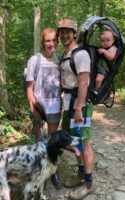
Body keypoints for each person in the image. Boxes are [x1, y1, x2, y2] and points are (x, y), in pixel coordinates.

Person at [57, 19, 94, 199]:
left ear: (74, 33)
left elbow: (84, 83)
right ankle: (81, 173)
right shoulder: (66, 54)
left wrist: (79, 108)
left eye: (68, 32)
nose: (64, 35)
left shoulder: (81, 55)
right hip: (69, 105)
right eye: (61, 32)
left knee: (84, 143)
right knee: (73, 142)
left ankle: (88, 184)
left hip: (80, 107)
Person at [26, 28, 62, 189]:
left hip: (55, 107)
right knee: (39, 142)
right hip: (40, 108)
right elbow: (29, 87)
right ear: (43, 42)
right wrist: (33, 109)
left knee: (53, 142)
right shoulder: (35, 60)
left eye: (54, 40)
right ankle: (40, 171)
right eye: (48, 40)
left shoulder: (60, 59)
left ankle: (53, 171)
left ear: (57, 42)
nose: (51, 43)